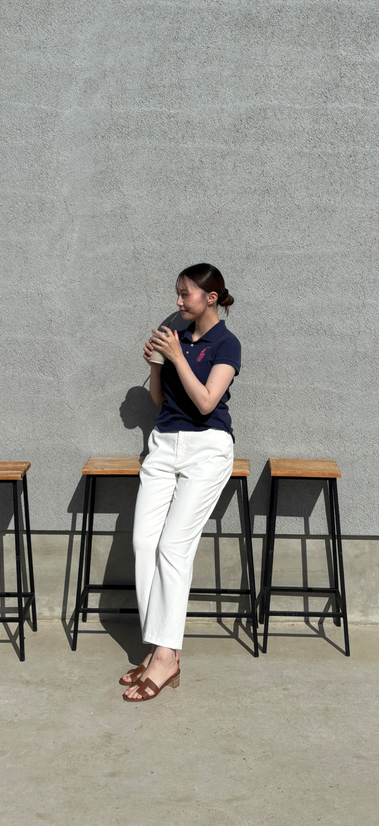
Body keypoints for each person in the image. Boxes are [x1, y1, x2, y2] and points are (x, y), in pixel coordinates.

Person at [121, 263, 241, 703]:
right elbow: (160, 400)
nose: (177, 301)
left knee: (173, 547)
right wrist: (157, 365)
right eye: (176, 293)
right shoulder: (178, 336)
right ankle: (159, 648)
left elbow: (207, 402)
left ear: (210, 298)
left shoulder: (226, 343)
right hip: (163, 445)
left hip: (206, 449)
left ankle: (166, 658)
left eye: (185, 294)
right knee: (144, 543)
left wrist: (176, 358)